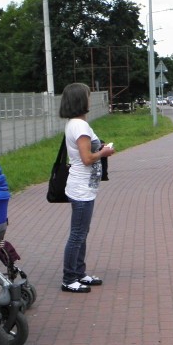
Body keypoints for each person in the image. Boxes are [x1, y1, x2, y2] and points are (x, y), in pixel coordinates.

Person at [59, 82, 115, 293]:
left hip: (83, 186)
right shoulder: (80, 126)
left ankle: (79, 273)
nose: (90, 100)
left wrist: (99, 148)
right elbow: (86, 158)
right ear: (81, 100)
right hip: (81, 188)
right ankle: (68, 278)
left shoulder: (75, 124)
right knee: (77, 234)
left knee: (81, 232)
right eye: (88, 96)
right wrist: (103, 152)